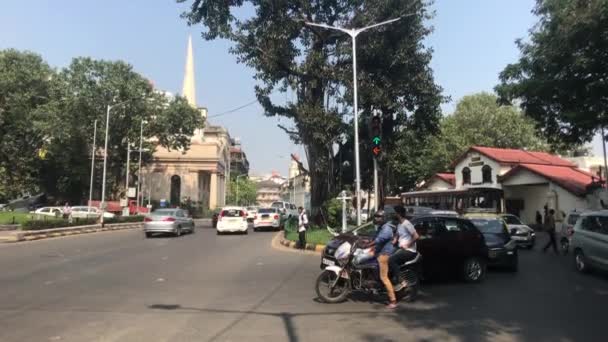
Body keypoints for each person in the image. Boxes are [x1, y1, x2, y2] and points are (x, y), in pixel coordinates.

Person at [366, 210, 398, 309]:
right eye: (375, 216)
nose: (376, 218)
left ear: (384, 218)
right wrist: (365, 240)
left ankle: (393, 300)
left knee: (384, 277)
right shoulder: (381, 227)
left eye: (378, 217)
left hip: (384, 254)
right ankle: (372, 284)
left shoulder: (387, 229)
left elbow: (379, 240)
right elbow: (375, 237)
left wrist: (367, 245)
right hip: (379, 252)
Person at [390, 205, 420, 291]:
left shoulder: (407, 223)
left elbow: (416, 236)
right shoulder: (400, 224)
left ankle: (402, 281)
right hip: (402, 249)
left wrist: (408, 244)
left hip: (409, 250)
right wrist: (390, 242)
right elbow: (396, 237)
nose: (393, 214)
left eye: (394, 213)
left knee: (391, 260)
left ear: (398, 214)